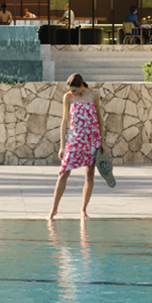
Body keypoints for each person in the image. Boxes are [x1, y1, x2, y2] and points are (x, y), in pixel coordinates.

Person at [48, 73, 102, 221]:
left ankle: (83, 210)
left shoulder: (94, 95)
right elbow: (64, 122)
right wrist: (62, 146)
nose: (73, 92)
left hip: (92, 139)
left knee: (89, 175)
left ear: (81, 86)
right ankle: (53, 211)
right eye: (70, 89)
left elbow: (99, 118)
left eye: (75, 90)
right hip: (74, 140)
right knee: (64, 173)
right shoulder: (68, 98)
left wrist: (102, 141)